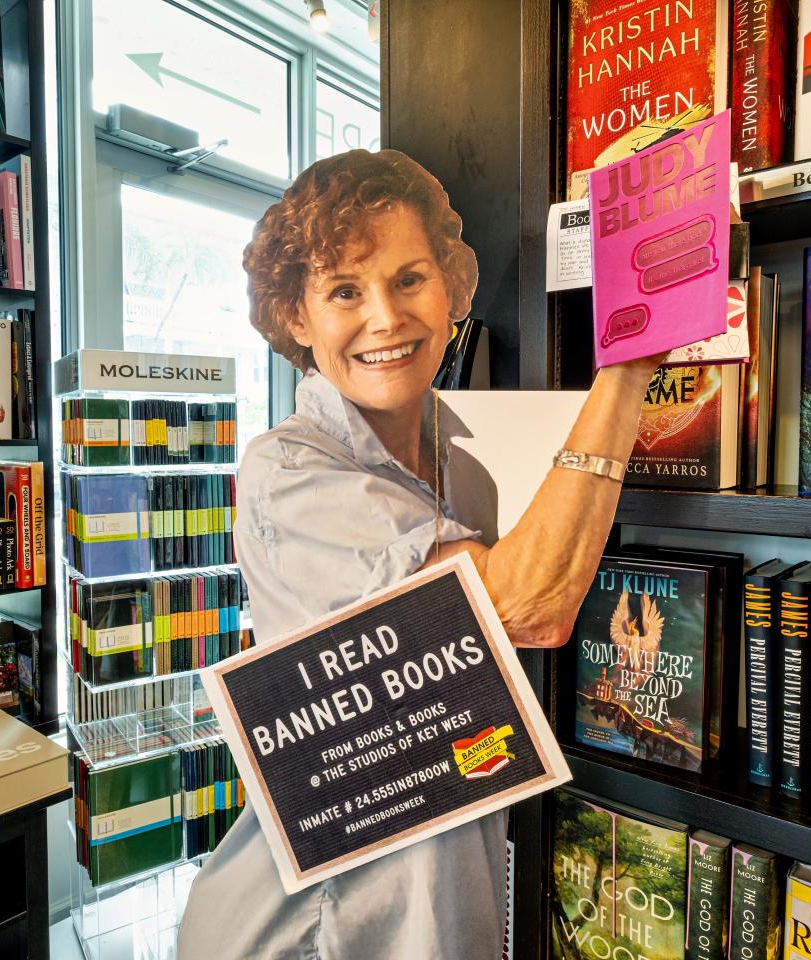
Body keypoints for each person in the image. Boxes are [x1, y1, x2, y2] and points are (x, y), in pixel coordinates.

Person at [175, 149, 662, 959]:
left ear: (451, 289)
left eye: (410, 279)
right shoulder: (286, 470)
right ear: (297, 318)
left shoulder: (462, 466)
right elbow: (527, 610)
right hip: (316, 929)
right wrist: (630, 362)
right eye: (344, 291)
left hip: (442, 906)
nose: (386, 318)